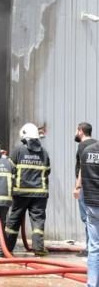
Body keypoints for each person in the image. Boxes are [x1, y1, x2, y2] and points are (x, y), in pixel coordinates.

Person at [5, 122, 51, 256]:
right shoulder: (44, 153)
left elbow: (10, 169)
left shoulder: (18, 151)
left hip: (21, 193)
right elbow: (47, 171)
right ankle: (38, 248)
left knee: (14, 220)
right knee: (38, 222)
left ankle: (8, 247)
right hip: (40, 195)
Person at [74, 140, 99, 287]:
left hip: (91, 205)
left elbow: (81, 174)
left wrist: (77, 188)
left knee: (94, 247)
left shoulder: (86, 152)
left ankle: (92, 283)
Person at [74, 122, 97, 257]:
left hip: (85, 187)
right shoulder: (95, 144)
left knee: (87, 218)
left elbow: (83, 167)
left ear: (81, 131)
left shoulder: (83, 146)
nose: (75, 134)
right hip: (94, 187)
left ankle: (90, 247)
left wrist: (77, 186)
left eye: (76, 131)